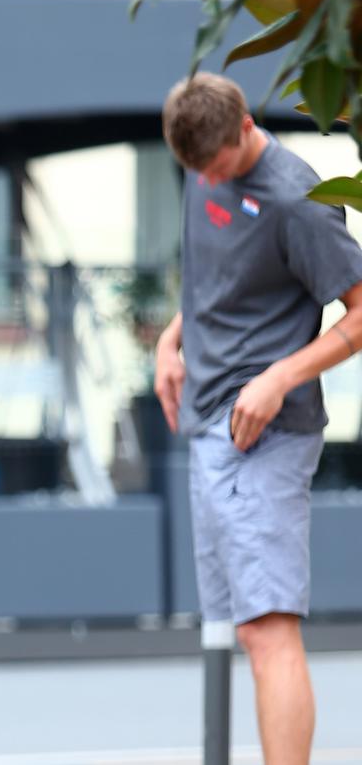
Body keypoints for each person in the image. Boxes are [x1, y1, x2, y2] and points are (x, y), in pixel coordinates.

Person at [155, 72, 362, 765]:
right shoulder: (200, 162)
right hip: (206, 420)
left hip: (266, 435)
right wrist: (172, 340)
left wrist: (279, 376)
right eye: (199, 172)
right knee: (233, 630)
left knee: (269, 632)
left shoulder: (298, 199)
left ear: (246, 126)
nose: (210, 181)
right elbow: (221, 278)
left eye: (220, 168)